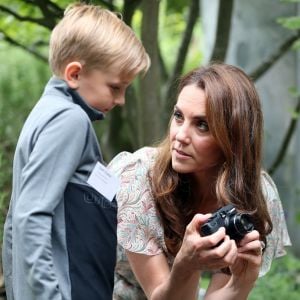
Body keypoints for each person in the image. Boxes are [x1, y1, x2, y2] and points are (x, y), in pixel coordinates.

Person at [2, 3, 150, 300]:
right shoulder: (70, 120)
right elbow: (29, 216)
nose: (120, 100)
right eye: (115, 87)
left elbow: (14, 222)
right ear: (74, 74)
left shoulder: (46, 112)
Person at [108, 63, 291, 300]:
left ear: (233, 137)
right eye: (178, 117)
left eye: (202, 125)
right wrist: (187, 265)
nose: (180, 136)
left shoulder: (256, 197)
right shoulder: (137, 179)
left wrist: (240, 285)